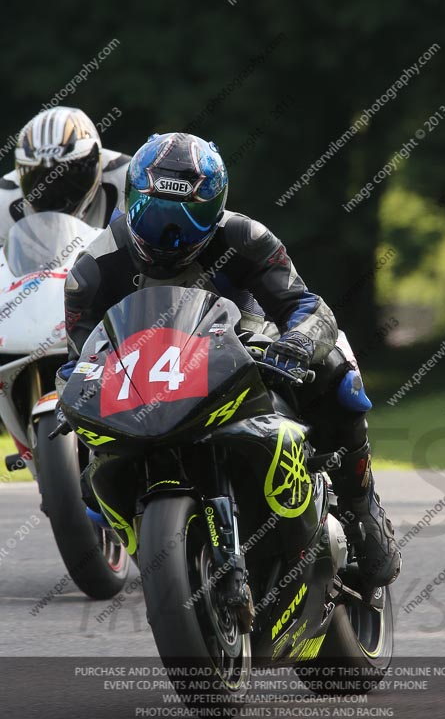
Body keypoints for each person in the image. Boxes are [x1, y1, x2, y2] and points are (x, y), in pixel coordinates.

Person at [59, 131, 401, 589]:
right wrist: (70, 396)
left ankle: (362, 506)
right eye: (155, 213)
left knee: (336, 367)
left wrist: (298, 342)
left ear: (216, 208)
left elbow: (306, 306)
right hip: (146, 385)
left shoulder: (244, 237)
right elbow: (78, 360)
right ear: (131, 199)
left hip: (249, 355)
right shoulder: (93, 268)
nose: (170, 234)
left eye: (190, 216)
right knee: (88, 472)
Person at [0, 107, 130, 245]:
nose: (54, 189)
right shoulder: (4, 199)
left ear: (95, 161)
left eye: (71, 171)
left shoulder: (127, 179)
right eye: (38, 177)